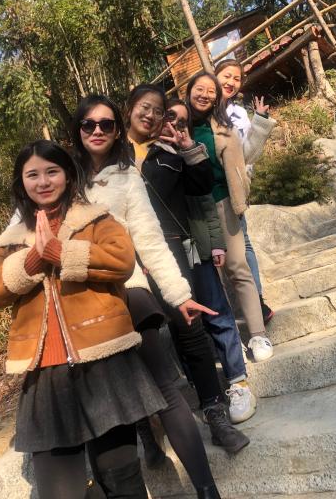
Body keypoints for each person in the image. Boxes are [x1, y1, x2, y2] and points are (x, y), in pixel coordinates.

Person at [0, 140, 167, 499]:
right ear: (21, 183)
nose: (43, 182)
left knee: (123, 481)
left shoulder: (95, 219)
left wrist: (59, 251)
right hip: (45, 371)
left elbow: (122, 261)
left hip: (104, 361)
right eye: (33, 175)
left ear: (67, 175)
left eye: (52, 171)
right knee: (60, 492)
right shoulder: (11, 240)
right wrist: (34, 258)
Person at [71, 93, 224, 498]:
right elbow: (24, 223)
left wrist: (178, 294)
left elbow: (150, 240)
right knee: (104, 398)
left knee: (165, 388)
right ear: (78, 129)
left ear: (116, 130)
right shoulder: (62, 176)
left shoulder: (127, 178)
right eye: (89, 124)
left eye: (106, 124)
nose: (98, 130)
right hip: (80, 302)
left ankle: (207, 490)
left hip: (128, 289)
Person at [124, 84, 250, 454]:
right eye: (144, 107)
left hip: (172, 250)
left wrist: (187, 149)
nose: (150, 115)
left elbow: (200, 186)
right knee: (139, 338)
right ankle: (149, 427)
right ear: (128, 109)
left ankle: (214, 412)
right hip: (127, 260)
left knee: (190, 329)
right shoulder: (112, 155)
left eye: (157, 110)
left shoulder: (168, 153)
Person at [163, 97, 257, 424]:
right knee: (181, 323)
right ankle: (204, 389)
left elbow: (205, 203)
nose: (174, 125)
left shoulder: (191, 154)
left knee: (215, 308)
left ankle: (237, 380)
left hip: (192, 244)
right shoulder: (142, 157)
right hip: (161, 254)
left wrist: (216, 242)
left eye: (182, 121)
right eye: (168, 116)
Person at [186, 72, 273, 362]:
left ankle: (258, 334)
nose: (204, 95)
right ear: (188, 91)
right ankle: (229, 340)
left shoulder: (223, 126)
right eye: (199, 89)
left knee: (238, 267)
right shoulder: (176, 125)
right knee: (210, 277)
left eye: (210, 91)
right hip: (192, 212)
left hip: (223, 203)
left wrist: (260, 122)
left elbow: (244, 157)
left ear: (217, 97)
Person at [215, 59, 276, 323]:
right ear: (215, 75)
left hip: (234, 189)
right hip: (206, 191)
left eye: (237, 78)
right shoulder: (199, 108)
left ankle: (256, 300)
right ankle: (227, 307)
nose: (231, 82)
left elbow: (248, 153)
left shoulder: (239, 114)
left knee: (244, 244)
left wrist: (260, 121)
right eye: (226, 76)